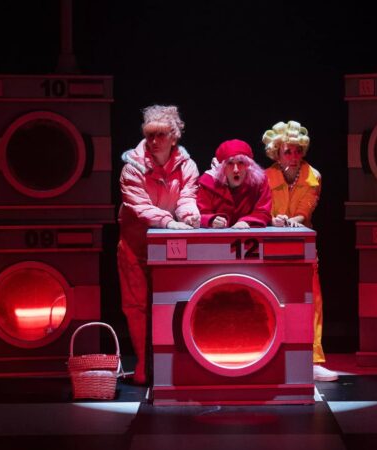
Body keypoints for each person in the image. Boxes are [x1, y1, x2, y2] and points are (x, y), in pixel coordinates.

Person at [117, 105, 200, 384]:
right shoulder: (132, 167)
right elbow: (138, 205)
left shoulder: (186, 165)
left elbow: (188, 196)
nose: (154, 141)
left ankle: (172, 365)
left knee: (172, 302)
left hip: (168, 246)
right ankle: (143, 364)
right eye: (150, 135)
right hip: (136, 244)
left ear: (174, 137)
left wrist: (188, 216)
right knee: (136, 305)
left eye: (160, 135)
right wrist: (168, 222)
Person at [262, 120, 338, 381]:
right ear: (277, 154)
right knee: (273, 299)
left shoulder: (312, 176)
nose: (294, 157)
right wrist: (272, 220)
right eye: (288, 152)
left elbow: (306, 209)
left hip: (303, 245)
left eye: (297, 151)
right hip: (270, 246)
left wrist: (292, 221)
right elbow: (261, 210)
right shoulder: (265, 177)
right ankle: (273, 357)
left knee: (312, 301)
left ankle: (313, 360)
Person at [197, 139, 272, 229]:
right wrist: (211, 220)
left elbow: (263, 212)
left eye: (241, 163)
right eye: (230, 163)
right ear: (222, 167)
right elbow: (201, 214)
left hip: (248, 234)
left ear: (248, 166)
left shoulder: (260, 182)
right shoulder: (208, 182)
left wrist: (247, 221)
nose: (236, 169)